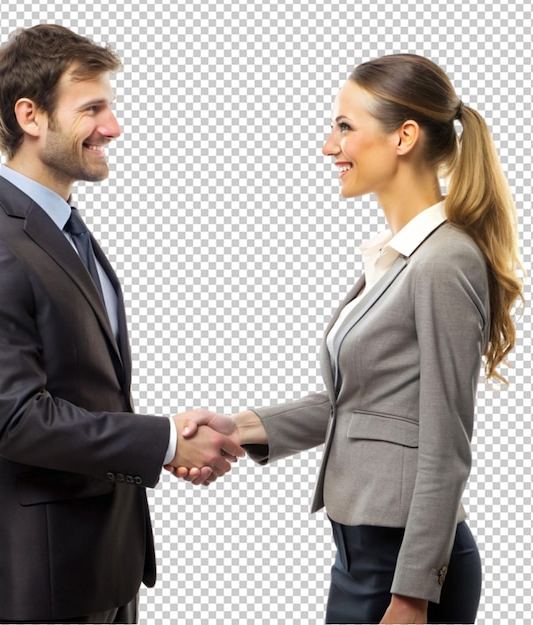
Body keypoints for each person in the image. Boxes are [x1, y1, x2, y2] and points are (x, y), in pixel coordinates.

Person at [171, 54, 524, 623]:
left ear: (404, 136)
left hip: (402, 564)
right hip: (365, 551)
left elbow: (446, 443)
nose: (328, 146)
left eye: (344, 127)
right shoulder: (399, 258)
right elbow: (357, 403)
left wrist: (412, 595)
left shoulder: (443, 261)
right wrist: (234, 428)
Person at [0, 24, 242, 624]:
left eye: (111, 107)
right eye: (92, 108)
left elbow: (86, 394)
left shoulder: (65, 232)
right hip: (38, 584)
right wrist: (168, 441)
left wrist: (165, 443)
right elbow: (19, 421)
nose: (113, 128)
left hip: (103, 568)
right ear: (31, 116)